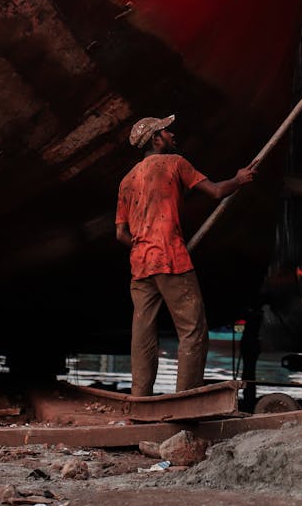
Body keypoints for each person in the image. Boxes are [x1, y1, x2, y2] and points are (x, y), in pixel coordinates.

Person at [115, 114, 254, 397]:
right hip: (170, 257)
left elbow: (120, 233)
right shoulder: (175, 163)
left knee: (142, 334)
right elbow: (216, 192)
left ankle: (140, 399)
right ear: (156, 139)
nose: (173, 135)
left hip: (140, 265)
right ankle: (186, 399)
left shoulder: (127, 179)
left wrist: (143, 247)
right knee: (193, 330)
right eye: (167, 131)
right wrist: (239, 179)